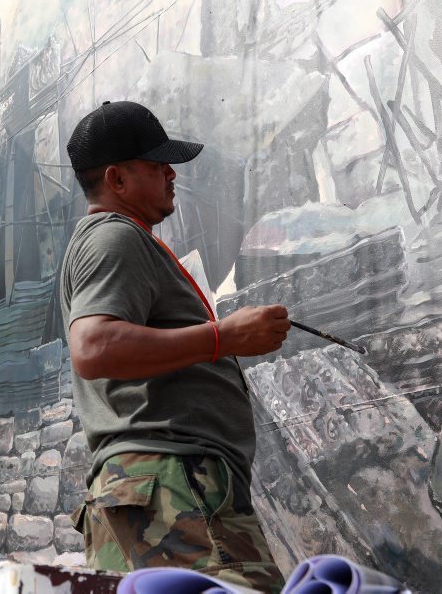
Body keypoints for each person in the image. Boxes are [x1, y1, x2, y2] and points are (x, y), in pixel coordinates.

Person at [60, 101, 289, 592]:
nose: (171, 174)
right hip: (171, 485)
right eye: (157, 164)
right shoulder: (115, 239)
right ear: (117, 179)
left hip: (153, 488)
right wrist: (223, 337)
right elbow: (94, 346)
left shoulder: (115, 239)